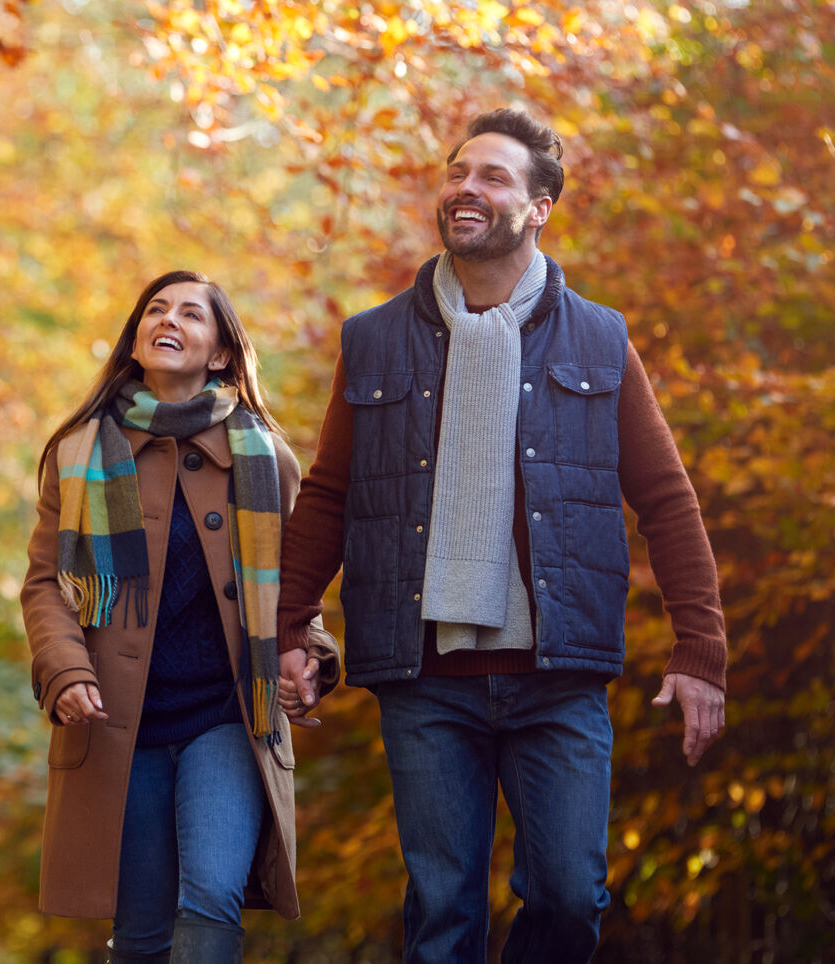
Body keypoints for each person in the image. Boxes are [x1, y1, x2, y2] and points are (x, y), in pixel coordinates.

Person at [274, 109, 728, 962]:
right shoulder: (373, 341)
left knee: (568, 899)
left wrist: (700, 650)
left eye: (491, 177)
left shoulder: (599, 336)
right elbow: (333, 493)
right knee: (443, 915)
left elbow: (666, 498)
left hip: (557, 673)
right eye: (456, 173)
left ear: (540, 206)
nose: (465, 190)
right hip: (426, 673)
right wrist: (288, 626)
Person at [22, 270, 340, 963]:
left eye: (192, 314)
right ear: (137, 340)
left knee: (211, 896)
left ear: (222, 352)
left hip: (227, 714)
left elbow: (296, 590)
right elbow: (46, 583)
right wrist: (65, 669)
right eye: (156, 310)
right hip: (117, 724)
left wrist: (309, 655)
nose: (169, 320)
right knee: (140, 931)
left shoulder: (266, 458)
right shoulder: (77, 455)